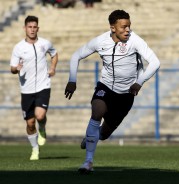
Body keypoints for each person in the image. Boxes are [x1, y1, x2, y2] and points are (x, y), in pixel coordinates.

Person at [65, 9, 160, 173]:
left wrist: (139, 82)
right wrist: (72, 80)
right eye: (123, 27)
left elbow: (155, 62)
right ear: (113, 28)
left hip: (126, 94)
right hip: (106, 87)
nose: (127, 30)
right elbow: (76, 56)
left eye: (129, 26)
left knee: (105, 133)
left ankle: (90, 139)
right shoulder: (100, 41)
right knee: (97, 111)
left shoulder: (135, 41)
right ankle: (88, 162)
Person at [10, 15, 58, 160]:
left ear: (38, 28)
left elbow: (54, 54)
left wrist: (53, 68)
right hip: (26, 90)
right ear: (24, 28)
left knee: (40, 115)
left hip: (43, 85)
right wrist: (16, 68)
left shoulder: (44, 43)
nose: (32, 29)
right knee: (30, 123)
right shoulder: (18, 48)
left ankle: (42, 127)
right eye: (29, 27)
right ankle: (35, 149)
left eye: (34, 27)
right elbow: (12, 68)